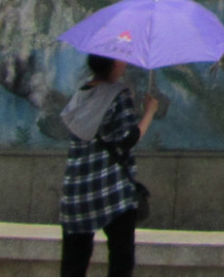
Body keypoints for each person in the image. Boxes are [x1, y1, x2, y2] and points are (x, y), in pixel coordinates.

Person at [59, 54, 159, 277]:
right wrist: (149, 112)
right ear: (113, 64)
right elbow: (127, 139)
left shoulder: (80, 95)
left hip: (77, 189)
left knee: (73, 263)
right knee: (121, 260)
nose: (124, 62)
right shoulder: (118, 95)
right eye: (120, 59)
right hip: (111, 189)